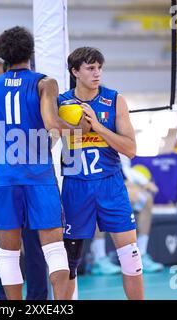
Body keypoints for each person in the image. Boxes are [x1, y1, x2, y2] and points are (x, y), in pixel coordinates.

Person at [0, 26, 89, 300]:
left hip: (6, 177)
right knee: (53, 249)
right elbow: (53, 124)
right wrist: (81, 129)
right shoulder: (45, 83)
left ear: (2, 55)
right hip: (39, 176)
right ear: (31, 52)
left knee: (7, 254)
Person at [58, 47, 144, 300]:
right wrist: (69, 128)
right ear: (75, 72)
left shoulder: (115, 100)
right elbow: (49, 139)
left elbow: (131, 149)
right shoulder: (61, 102)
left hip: (110, 185)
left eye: (99, 68)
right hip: (76, 186)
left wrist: (97, 126)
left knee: (130, 258)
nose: (97, 73)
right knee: (69, 264)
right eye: (90, 68)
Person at [90, 155, 164, 275]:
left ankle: (142, 254)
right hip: (96, 180)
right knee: (100, 199)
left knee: (146, 199)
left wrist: (138, 185)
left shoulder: (123, 153)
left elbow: (124, 167)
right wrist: (128, 186)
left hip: (118, 178)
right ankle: (99, 258)